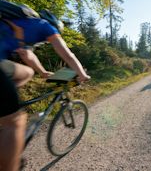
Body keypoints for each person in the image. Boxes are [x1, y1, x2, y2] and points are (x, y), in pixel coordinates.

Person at [0, 10, 90, 171]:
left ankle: (7, 105)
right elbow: (67, 55)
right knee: (15, 122)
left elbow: (27, 55)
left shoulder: (23, 25)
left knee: (28, 72)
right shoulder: (47, 27)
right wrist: (82, 74)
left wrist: (42, 72)